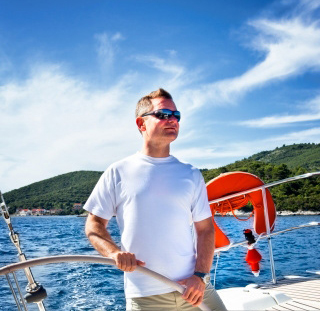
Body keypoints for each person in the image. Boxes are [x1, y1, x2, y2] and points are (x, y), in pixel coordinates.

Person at [84, 88, 227, 311]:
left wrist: (200, 276)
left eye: (176, 115)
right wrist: (114, 253)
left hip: (194, 288)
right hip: (146, 296)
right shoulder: (118, 172)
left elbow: (206, 229)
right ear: (141, 124)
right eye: (163, 115)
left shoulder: (190, 174)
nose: (172, 120)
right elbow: (94, 224)